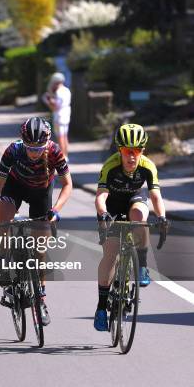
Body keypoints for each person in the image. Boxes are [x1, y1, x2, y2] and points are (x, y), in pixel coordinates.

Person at [0, 117, 72, 326]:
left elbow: (68, 185)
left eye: (39, 148)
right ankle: (3, 261)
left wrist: (56, 210)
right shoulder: (13, 151)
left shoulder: (54, 152)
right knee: (4, 221)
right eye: (30, 148)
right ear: (23, 142)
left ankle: (40, 299)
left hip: (41, 193)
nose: (34, 152)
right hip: (15, 187)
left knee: (40, 247)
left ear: (47, 143)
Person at [93, 124, 167, 331]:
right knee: (110, 255)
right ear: (120, 150)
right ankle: (100, 308)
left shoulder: (148, 166)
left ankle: (142, 265)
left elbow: (155, 196)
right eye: (127, 151)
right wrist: (103, 214)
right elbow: (101, 196)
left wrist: (161, 217)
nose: (132, 156)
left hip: (134, 199)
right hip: (111, 206)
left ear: (143, 151)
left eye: (137, 151)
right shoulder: (110, 166)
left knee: (139, 217)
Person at [42, 72, 71, 160]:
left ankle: (62, 156)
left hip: (59, 116)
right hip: (66, 114)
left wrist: (48, 101)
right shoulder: (67, 90)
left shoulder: (58, 92)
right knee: (65, 136)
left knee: (60, 137)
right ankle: (66, 155)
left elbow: (55, 107)